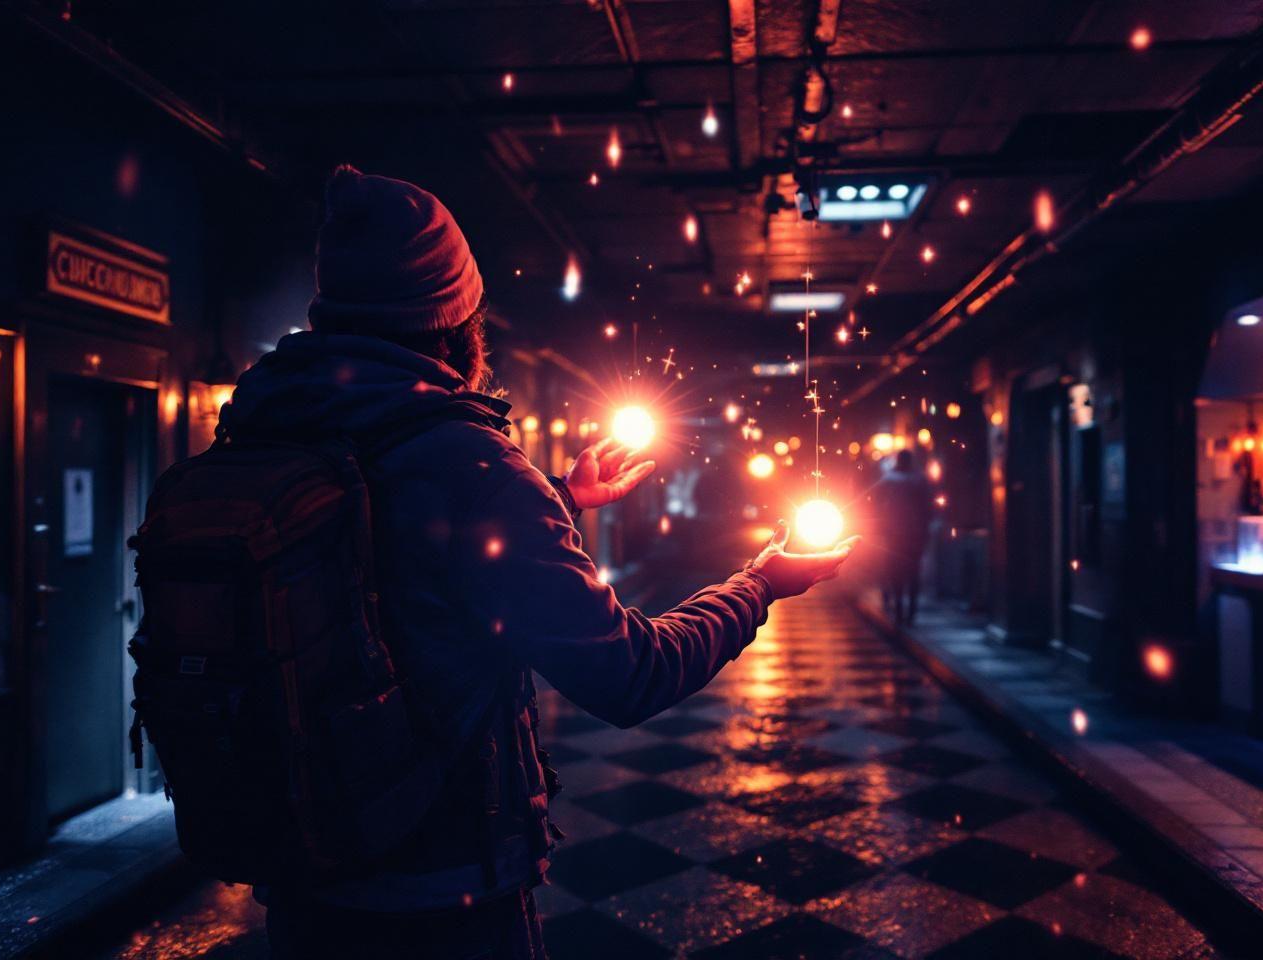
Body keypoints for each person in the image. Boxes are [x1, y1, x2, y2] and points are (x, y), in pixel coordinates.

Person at [215, 166, 858, 959]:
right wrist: (759, 583)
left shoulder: (270, 430)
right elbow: (631, 674)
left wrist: (558, 496)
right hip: (441, 890)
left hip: (305, 877)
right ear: (457, 317)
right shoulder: (471, 464)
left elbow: (378, 546)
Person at [870, 448, 932, 625]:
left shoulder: (888, 480)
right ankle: (910, 612)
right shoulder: (919, 480)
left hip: (893, 535)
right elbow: (927, 508)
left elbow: (876, 506)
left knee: (894, 572)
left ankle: (896, 607)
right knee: (912, 574)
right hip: (913, 534)